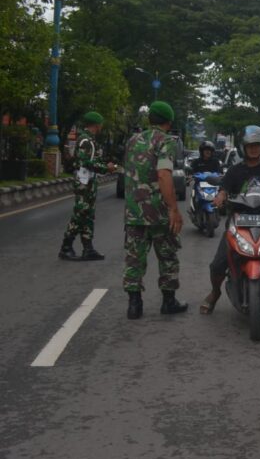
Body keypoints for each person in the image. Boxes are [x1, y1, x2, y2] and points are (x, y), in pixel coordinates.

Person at [200, 125, 260, 317]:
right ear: (243, 147)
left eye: (257, 145)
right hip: (239, 222)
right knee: (218, 264)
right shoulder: (234, 171)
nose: (253, 149)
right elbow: (224, 189)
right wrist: (219, 197)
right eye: (250, 145)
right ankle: (215, 292)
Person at [122, 101, 189, 319]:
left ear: (150, 119)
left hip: (134, 212)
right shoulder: (166, 141)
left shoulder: (132, 140)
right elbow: (164, 174)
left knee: (134, 258)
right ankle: (168, 302)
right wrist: (174, 209)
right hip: (158, 213)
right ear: (169, 121)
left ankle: (134, 305)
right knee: (168, 256)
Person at [60, 111, 116, 261]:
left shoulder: (89, 140)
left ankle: (88, 248)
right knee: (80, 213)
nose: (102, 127)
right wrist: (106, 168)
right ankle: (66, 247)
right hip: (84, 182)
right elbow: (86, 162)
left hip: (89, 181)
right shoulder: (85, 140)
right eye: (101, 124)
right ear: (96, 125)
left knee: (88, 215)